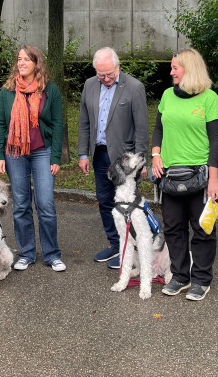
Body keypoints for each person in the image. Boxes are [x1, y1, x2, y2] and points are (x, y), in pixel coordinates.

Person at [151, 48, 218, 301]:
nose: (170, 71)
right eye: (171, 67)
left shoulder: (210, 99)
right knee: (173, 228)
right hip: (169, 175)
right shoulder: (167, 95)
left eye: (175, 68)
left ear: (190, 69)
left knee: (203, 228)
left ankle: (202, 279)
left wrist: (214, 179)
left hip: (201, 175)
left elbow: (217, 141)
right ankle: (181, 276)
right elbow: (158, 127)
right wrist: (156, 155)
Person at [0, 45, 66, 272]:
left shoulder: (50, 90)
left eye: (26, 59)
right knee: (21, 205)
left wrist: (56, 157)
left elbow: (57, 125)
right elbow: (0, 124)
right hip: (14, 152)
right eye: (19, 59)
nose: (21, 63)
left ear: (37, 63)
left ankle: (52, 254)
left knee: (45, 204)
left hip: (43, 151)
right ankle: (26, 253)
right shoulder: (7, 91)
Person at [78, 47, 149, 269]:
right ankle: (115, 243)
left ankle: (133, 248)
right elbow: (84, 122)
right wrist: (82, 153)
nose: (106, 79)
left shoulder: (134, 87)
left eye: (109, 74)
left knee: (129, 204)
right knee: (105, 200)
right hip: (100, 154)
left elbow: (142, 127)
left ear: (118, 67)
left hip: (126, 159)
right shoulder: (90, 85)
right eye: (101, 75)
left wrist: (142, 161)